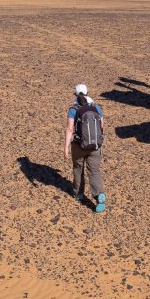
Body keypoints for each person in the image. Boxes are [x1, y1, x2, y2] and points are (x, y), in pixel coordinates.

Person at [64, 84, 106, 213]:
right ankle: (99, 195)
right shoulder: (96, 107)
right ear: (87, 93)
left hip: (79, 145)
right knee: (94, 171)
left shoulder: (73, 109)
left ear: (75, 94)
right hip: (95, 146)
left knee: (78, 169)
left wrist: (66, 147)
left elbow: (70, 129)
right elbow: (101, 127)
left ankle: (79, 194)